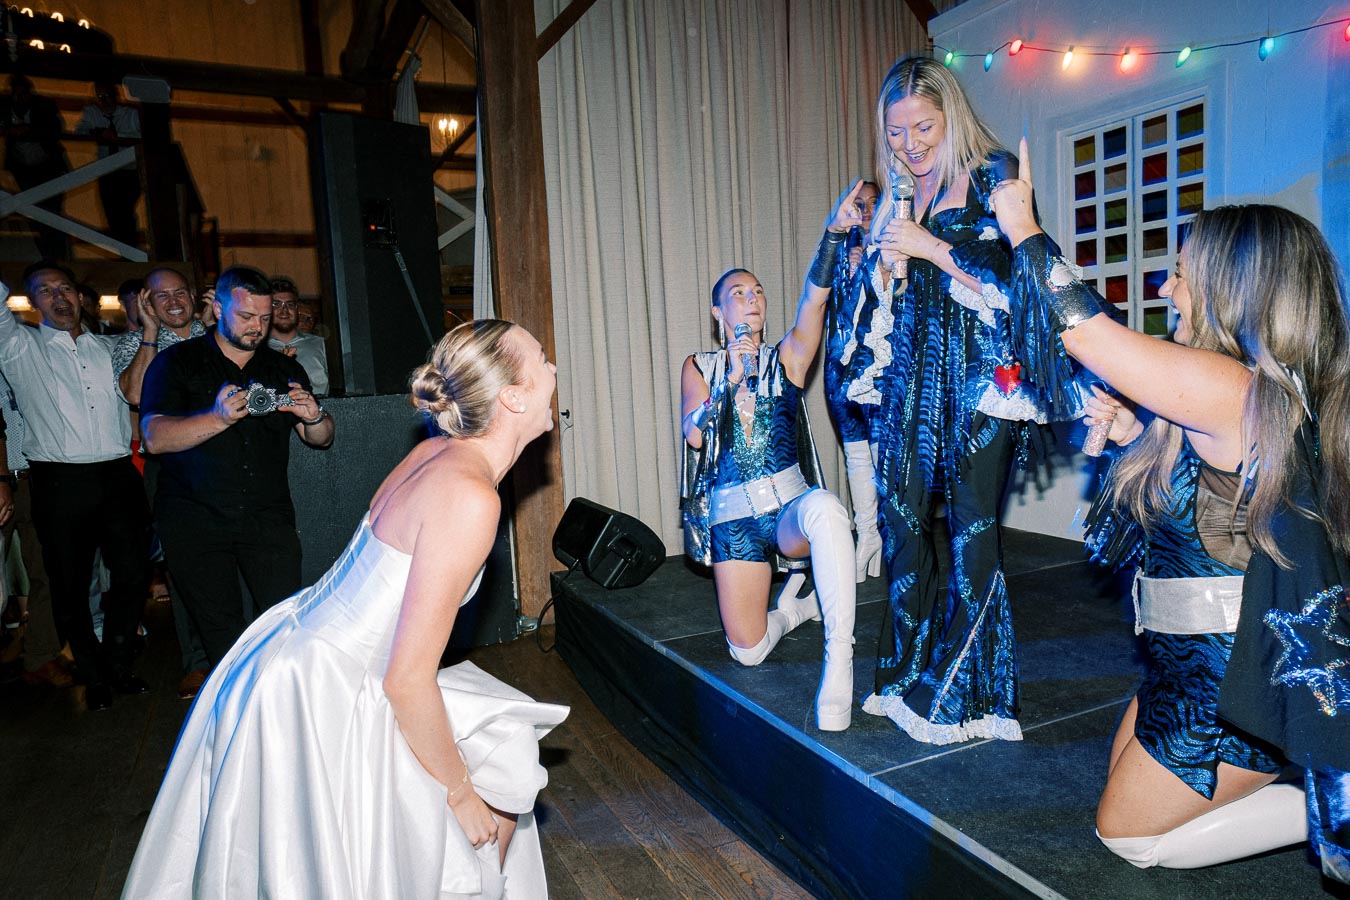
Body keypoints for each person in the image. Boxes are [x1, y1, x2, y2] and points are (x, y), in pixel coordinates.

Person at [989, 142, 1350, 879]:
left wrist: (1022, 226)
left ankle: (1318, 796)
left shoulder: (1233, 388)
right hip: (1180, 663)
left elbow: (1085, 333)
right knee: (1123, 797)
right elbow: (1204, 512)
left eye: (1181, 273)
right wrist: (1129, 434)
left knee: (1127, 838)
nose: (1164, 287)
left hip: (1229, 679)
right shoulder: (1240, 394)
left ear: (1232, 288)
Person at [122, 319, 569, 898]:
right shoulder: (470, 496)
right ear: (511, 395)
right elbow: (407, 681)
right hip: (328, 684)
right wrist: (457, 794)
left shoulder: (438, 453)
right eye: (542, 359)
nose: (553, 369)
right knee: (464, 806)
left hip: (298, 647)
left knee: (501, 749)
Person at [843, 57, 1089, 745]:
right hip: (914, 384)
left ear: (951, 115)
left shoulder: (994, 175)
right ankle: (903, 672)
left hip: (985, 383)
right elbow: (890, 300)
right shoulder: (902, 194)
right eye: (895, 132)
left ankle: (968, 696)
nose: (911, 143)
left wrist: (930, 249)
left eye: (923, 126)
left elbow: (1026, 281)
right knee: (901, 522)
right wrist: (886, 266)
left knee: (973, 530)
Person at [680, 183, 864, 731]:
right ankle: (793, 610)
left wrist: (832, 236)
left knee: (828, 509)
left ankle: (841, 658)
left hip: (787, 508)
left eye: (758, 290)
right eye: (739, 292)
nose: (753, 297)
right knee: (749, 651)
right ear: (718, 309)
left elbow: (815, 299)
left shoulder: (788, 356)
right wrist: (729, 380)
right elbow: (693, 434)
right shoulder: (699, 365)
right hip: (734, 520)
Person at [140, 266, 333, 668]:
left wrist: (315, 418)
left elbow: (320, 439)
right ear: (218, 306)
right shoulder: (176, 362)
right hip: (195, 519)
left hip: (267, 517)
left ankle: (278, 713)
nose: (257, 327)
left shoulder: (283, 368)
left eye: (264, 318)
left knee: (284, 624)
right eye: (246, 317)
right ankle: (234, 720)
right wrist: (218, 418)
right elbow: (154, 438)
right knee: (221, 635)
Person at [0, 262, 150, 710]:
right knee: (69, 585)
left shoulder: (109, 349)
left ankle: (119, 663)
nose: (58, 296)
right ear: (31, 302)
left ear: (80, 296)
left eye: (64, 286)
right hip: (59, 481)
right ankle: (93, 672)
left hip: (119, 476)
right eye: (45, 291)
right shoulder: (18, 349)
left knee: (133, 574)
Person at [111, 266, 210, 696]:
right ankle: (197, 662)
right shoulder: (133, 344)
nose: (173, 301)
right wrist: (149, 333)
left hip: (226, 460)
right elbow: (134, 394)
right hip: (169, 466)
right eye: (160, 296)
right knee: (184, 563)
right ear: (146, 303)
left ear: (193, 294)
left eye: (180, 292)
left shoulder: (219, 334)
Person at [826, 180, 883, 582]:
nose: (864, 212)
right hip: (842, 370)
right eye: (858, 204)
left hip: (880, 372)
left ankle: (886, 540)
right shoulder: (839, 252)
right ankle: (867, 537)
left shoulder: (899, 248)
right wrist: (849, 268)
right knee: (856, 456)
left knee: (883, 458)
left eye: (872, 205)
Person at [0, 75, 70, 260]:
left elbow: (55, 129)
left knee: (53, 213)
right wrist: (9, 131)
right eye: (16, 94)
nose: (20, 98)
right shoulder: (4, 107)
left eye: (23, 94)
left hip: (49, 169)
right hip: (24, 170)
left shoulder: (44, 106)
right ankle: (46, 257)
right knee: (35, 214)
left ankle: (59, 257)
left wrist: (30, 131)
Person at [74, 80, 142, 248]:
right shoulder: (91, 113)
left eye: (107, 96)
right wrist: (98, 132)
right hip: (107, 171)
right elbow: (80, 132)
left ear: (116, 96)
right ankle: (124, 249)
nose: (104, 100)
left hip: (129, 171)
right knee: (111, 213)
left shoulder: (131, 114)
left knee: (125, 212)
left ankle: (131, 249)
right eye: (100, 97)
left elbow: (144, 137)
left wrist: (118, 137)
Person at [267, 275, 329, 395]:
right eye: (277, 304)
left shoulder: (322, 345)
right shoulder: (256, 349)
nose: (284, 310)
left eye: (290, 305)